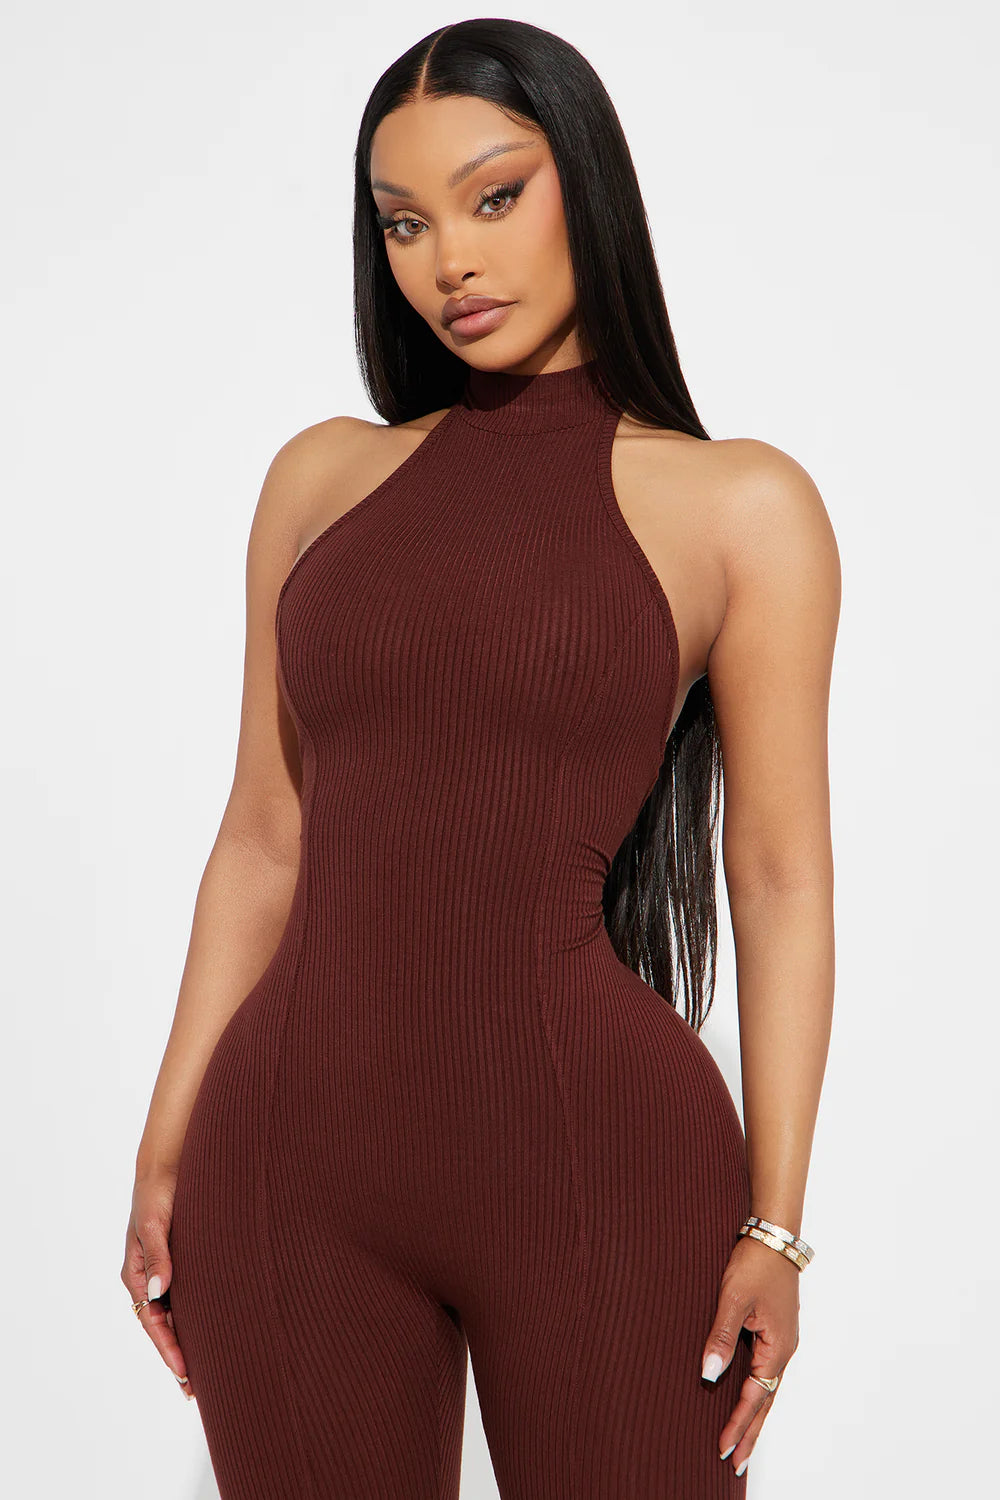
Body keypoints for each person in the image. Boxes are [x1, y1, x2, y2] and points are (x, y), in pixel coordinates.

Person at [122, 18, 838, 1498]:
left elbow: (773, 873)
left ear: (588, 186)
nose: (451, 259)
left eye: (495, 197)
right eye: (405, 223)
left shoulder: (742, 507)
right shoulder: (322, 479)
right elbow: (263, 832)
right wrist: (165, 1138)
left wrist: (776, 1223)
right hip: (288, 1165)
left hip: (596, 1167)